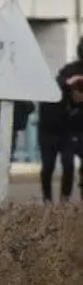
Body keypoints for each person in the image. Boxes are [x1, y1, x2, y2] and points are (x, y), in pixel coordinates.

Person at [37, 37, 83, 202]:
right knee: (48, 166)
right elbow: (60, 80)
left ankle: (64, 200)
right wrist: (69, 85)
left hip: (70, 130)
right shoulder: (68, 73)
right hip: (51, 129)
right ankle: (47, 199)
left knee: (68, 165)